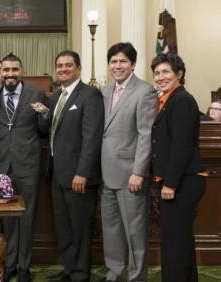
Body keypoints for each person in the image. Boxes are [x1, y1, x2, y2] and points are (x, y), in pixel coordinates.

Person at [0, 53, 50, 282]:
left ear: (21, 71)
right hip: (1, 166)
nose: (10, 74)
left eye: (14, 70)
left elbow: (44, 130)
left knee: (27, 216)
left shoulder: (36, 93)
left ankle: (24, 265)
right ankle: (9, 263)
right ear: (0, 72)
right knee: (7, 218)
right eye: (6, 70)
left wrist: (44, 114)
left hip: (29, 164)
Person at [99, 42, 157, 282]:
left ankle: (136, 277)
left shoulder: (145, 91)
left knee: (134, 232)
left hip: (130, 174)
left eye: (123, 61)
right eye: (114, 61)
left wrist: (138, 171)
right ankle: (116, 274)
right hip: (105, 173)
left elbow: (146, 134)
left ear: (132, 64)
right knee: (111, 230)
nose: (118, 66)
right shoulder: (104, 91)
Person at [45, 51, 104, 282]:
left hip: (78, 177)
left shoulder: (90, 95)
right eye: (59, 66)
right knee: (64, 227)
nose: (63, 69)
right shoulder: (55, 97)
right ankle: (69, 270)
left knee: (80, 229)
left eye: (68, 65)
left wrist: (82, 173)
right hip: (57, 176)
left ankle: (80, 275)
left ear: (78, 68)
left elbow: (91, 138)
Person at [150, 53, 207, 282]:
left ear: (179, 74)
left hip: (183, 181)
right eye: (157, 73)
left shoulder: (182, 100)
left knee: (173, 244)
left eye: (166, 72)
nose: (160, 77)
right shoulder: (169, 99)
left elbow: (181, 146)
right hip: (180, 180)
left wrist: (171, 183)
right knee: (181, 242)